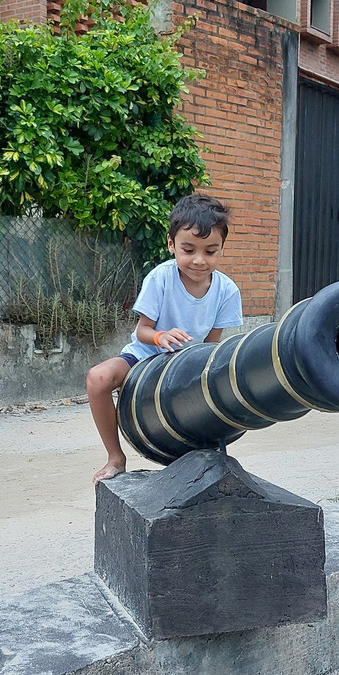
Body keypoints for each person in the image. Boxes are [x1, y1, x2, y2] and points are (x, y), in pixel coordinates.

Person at [86, 193, 243, 484]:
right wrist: (160, 336)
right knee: (97, 379)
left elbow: (211, 346)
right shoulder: (160, 278)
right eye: (188, 249)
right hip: (144, 356)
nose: (198, 260)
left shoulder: (227, 291)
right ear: (171, 244)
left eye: (210, 251)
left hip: (188, 366)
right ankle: (115, 457)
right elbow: (141, 331)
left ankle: (204, 458)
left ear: (222, 249)